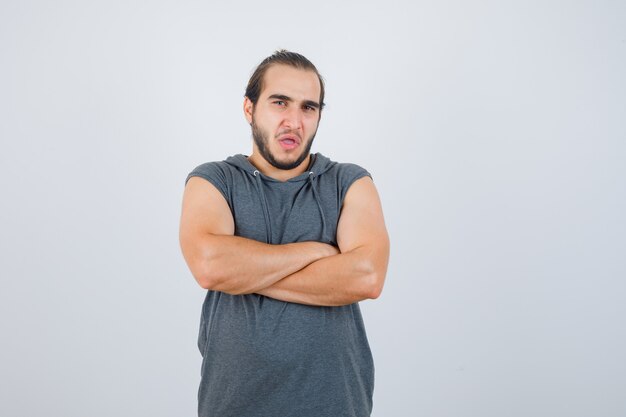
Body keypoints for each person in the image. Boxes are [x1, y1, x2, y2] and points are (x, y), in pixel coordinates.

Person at [179, 50, 390, 417]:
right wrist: (315, 251)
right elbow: (210, 266)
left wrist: (244, 273)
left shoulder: (348, 181)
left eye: (309, 107)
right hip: (234, 406)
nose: (294, 120)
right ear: (249, 108)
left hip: (336, 405)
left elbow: (367, 276)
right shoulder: (213, 180)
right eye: (280, 102)